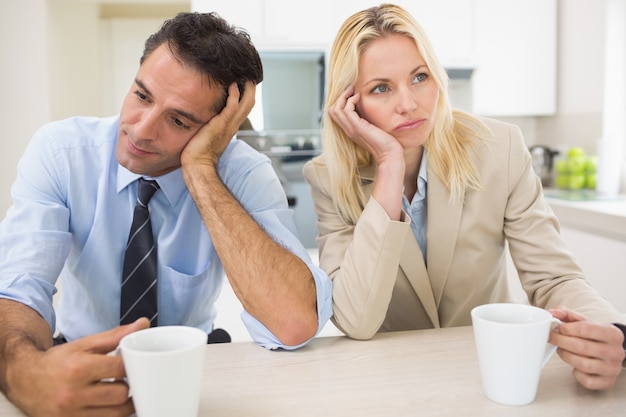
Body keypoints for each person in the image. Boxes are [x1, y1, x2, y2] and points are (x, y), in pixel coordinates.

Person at [0, 11, 332, 417]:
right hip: (76, 358)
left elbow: (292, 321)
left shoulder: (243, 173)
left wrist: (200, 169)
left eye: (178, 120)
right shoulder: (61, 153)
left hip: (191, 373)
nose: (141, 131)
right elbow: (17, 288)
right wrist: (22, 372)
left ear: (220, 127)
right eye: (141, 96)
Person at [303, 3, 625, 391]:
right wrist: (388, 164)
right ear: (349, 104)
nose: (408, 103)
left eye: (419, 77)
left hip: (488, 370)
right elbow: (355, 319)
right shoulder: (327, 178)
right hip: (389, 381)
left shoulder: (498, 147)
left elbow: (553, 277)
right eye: (381, 88)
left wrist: (611, 331)